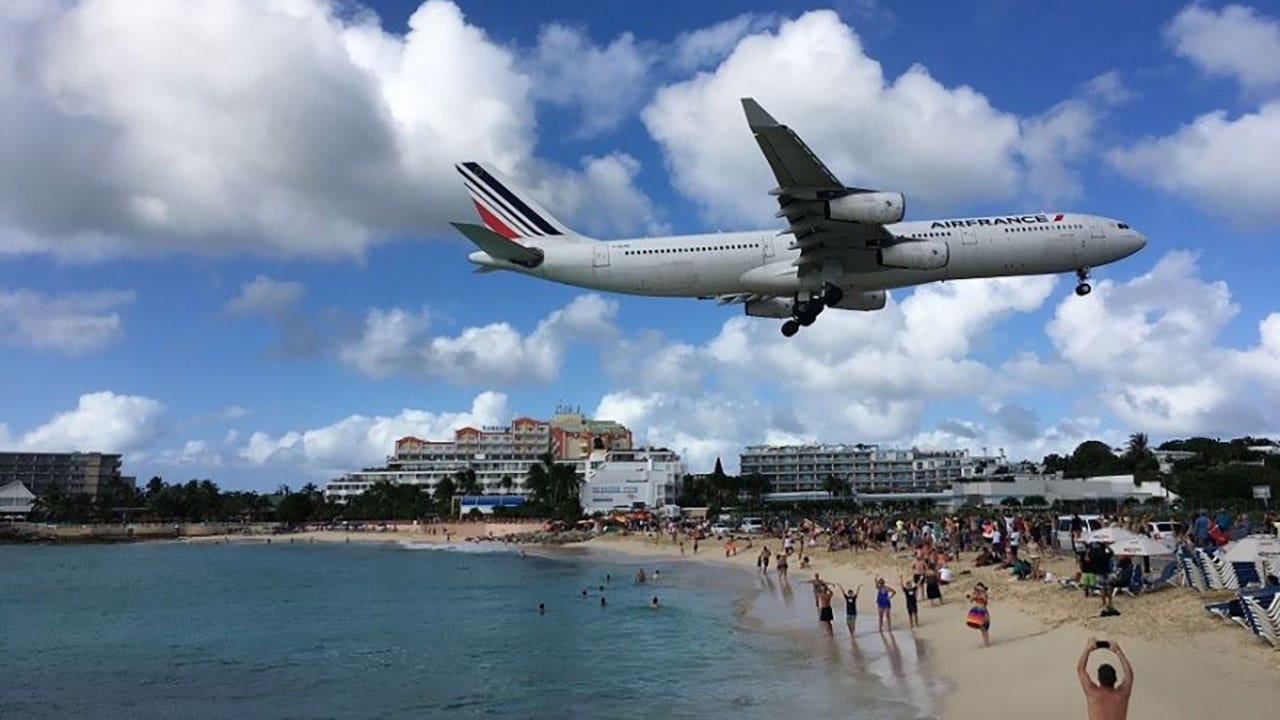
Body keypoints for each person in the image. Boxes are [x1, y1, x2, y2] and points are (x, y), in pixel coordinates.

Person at [1077, 637, 1133, 719]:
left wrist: (1087, 649)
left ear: (1099, 679)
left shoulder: (1093, 693)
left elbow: (1081, 669)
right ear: (1115, 678)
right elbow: (1129, 674)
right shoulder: (1122, 694)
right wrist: (1118, 651)